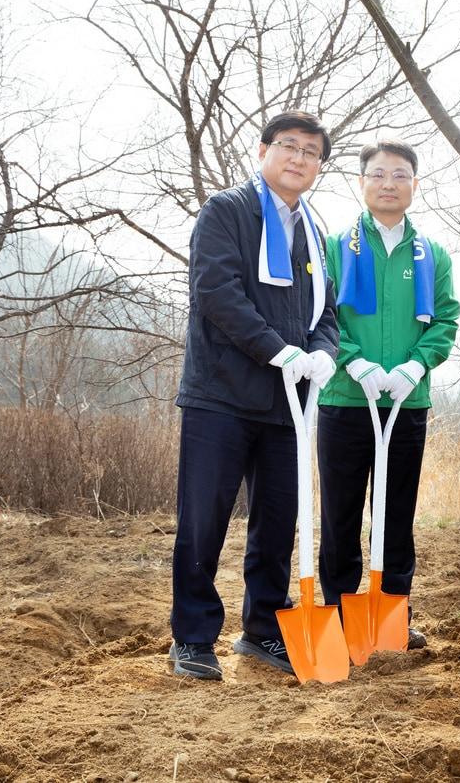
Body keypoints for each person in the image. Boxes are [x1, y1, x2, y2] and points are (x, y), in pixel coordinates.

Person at [169, 110, 340, 680]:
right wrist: (276, 349)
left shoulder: (314, 233)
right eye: (288, 146)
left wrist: (323, 353)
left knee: (277, 521)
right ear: (264, 150)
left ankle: (263, 629)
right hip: (221, 395)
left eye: (311, 152)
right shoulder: (227, 211)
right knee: (204, 520)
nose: (299, 158)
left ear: (319, 166)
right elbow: (216, 292)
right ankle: (193, 639)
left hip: (286, 405)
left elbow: (326, 313)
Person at [317, 139, 460, 649]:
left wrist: (415, 367)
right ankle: (336, 613)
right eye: (378, 175)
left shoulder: (432, 254)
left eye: (400, 175)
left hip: (406, 402)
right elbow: (322, 316)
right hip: (344, 400)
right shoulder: (334, 247)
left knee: (396, 513)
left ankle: (392, 614)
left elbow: (446, 320)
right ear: (362, 183)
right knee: (340, 513)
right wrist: (352, 359)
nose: (389, 184)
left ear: (414, 186)